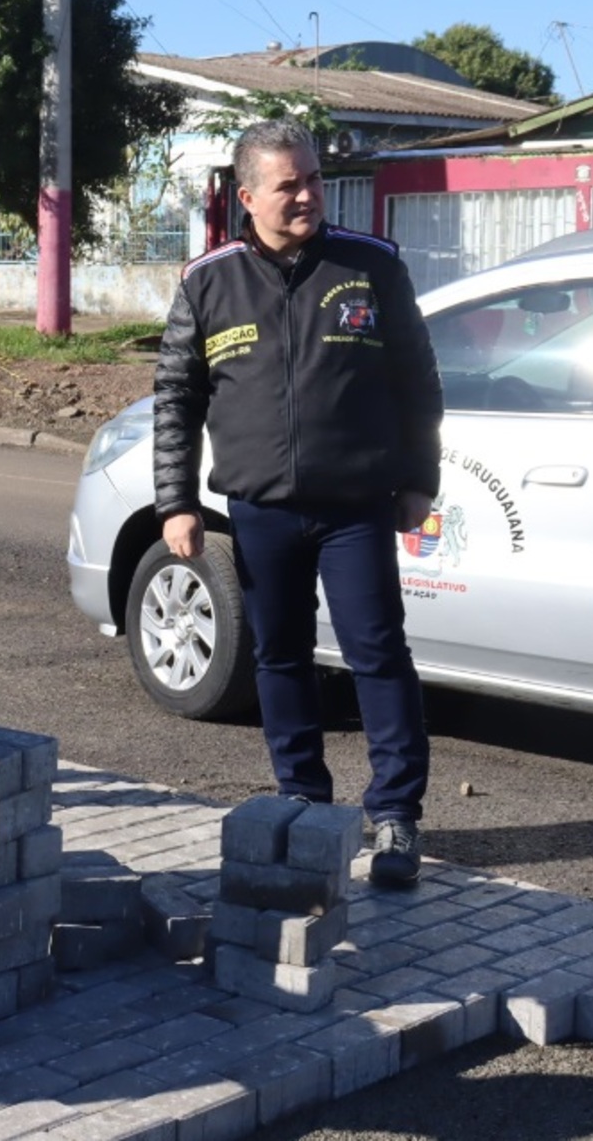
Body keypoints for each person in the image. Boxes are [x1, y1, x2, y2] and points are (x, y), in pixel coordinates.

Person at [152, 117, 443, 889]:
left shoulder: (370, 264)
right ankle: (304, 801)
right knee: (277, 656)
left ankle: (395, 817)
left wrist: (420, 479)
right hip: (260, 508)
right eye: (289, 184)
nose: (308, 194)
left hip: (356, 505)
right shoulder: (206, 280)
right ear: (247, 196)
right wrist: (174, 501)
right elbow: (176, 398)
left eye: (313, 178)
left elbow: (418, 381)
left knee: (377, 654)